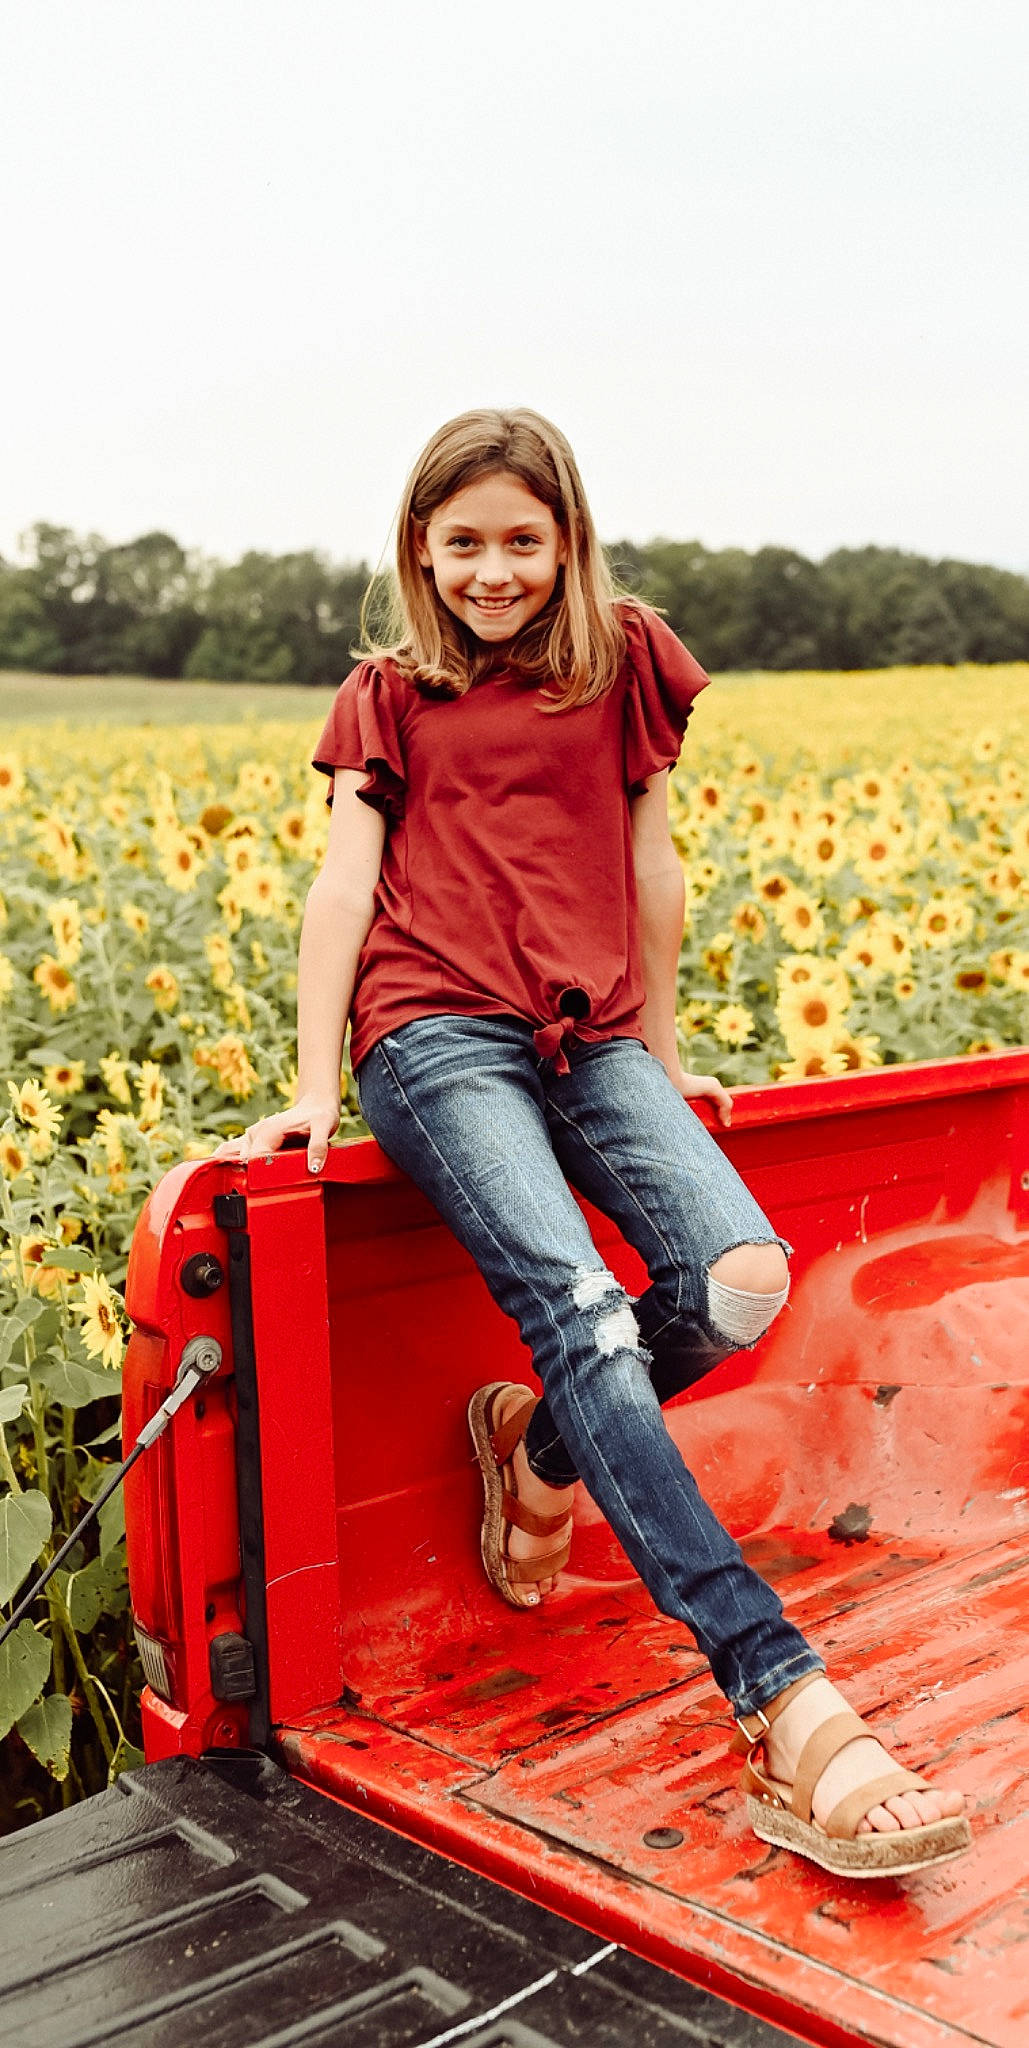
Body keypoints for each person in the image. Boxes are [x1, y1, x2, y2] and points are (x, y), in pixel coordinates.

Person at [216, 407, 969, 1878]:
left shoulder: (624, 661)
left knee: (737, 1278)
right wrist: (313, 1083)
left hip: (592, 1032)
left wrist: (662, 1052)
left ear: (567, 540)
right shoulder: (387, 693)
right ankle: (782, 1698)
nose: (493, 571)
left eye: (522, 539)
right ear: (420, 550)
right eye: (463, 544)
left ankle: (539, 1446)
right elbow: (342, 887)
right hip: (433, 1036)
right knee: (583, 1314)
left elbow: (648, 862)